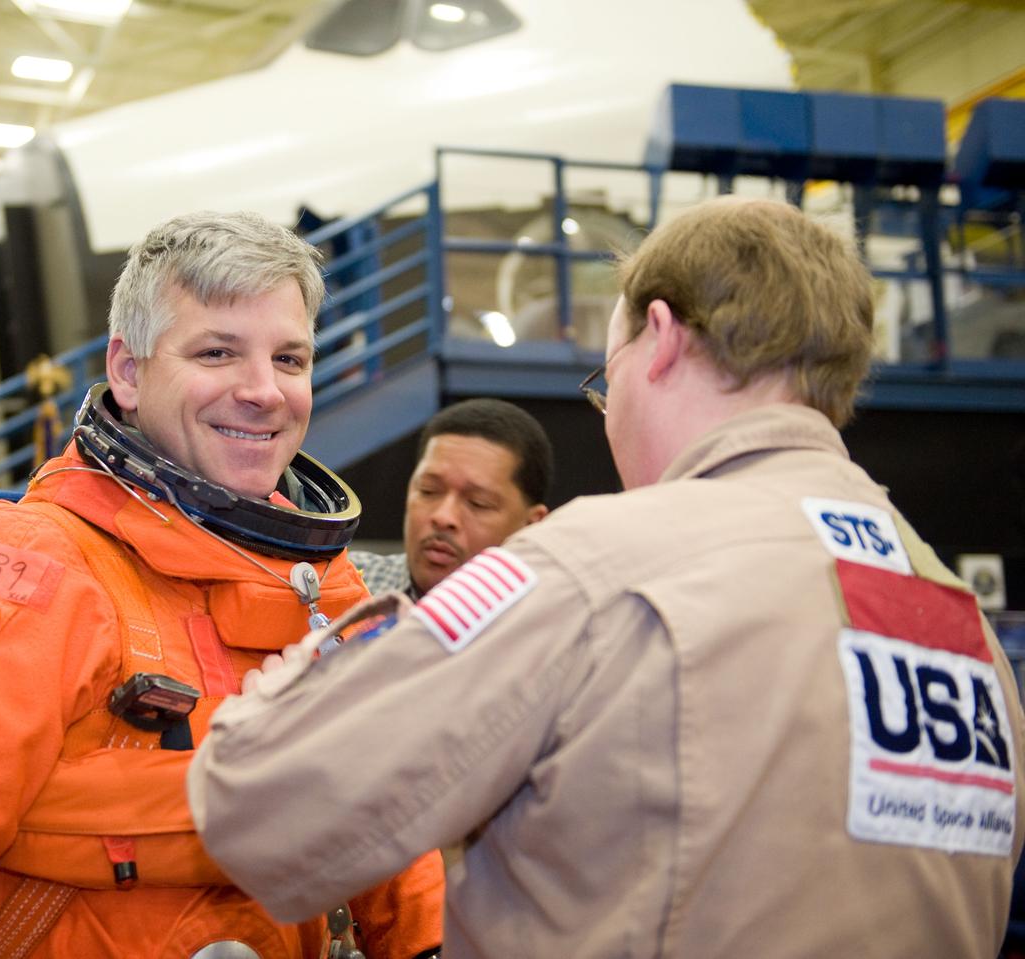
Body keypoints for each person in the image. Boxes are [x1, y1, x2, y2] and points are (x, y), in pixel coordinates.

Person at [187, 197, 1025, 957]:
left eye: (604, 378)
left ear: (658, 338)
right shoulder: (962, 626)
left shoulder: (594, 567)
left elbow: (256, 804)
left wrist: (312, 657)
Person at [0, 211, 443, 959]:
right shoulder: (30, 571)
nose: (264, 391)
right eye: (217, 352)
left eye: (291, 359)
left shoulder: (318, 592)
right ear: (128, 370)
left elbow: (394, 824)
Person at [350, 397, 553, 599]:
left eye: (478, 503)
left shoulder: (555, 624)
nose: (443, 517)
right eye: (428, 490)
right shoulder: (338, 586)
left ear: (532, 525)